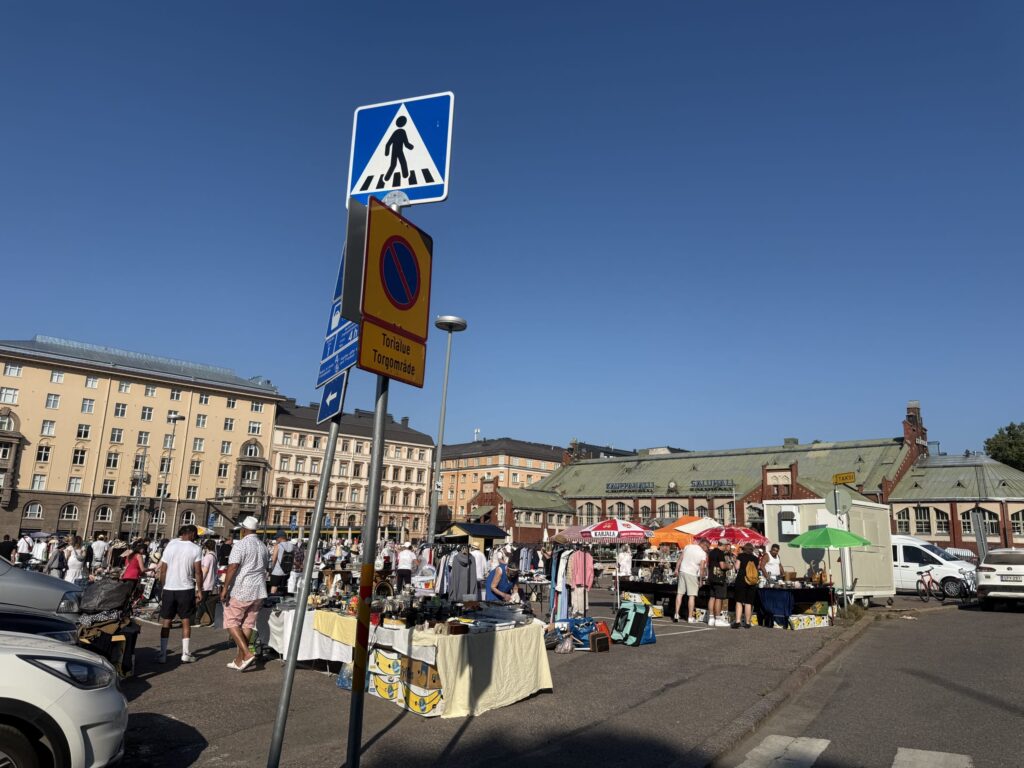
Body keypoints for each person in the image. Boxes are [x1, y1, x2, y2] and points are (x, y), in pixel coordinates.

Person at [219, 515, 269, 671]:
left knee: (231, 621)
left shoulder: (241, 545)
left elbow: (233, 566)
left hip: (242, 588)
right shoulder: (263, 546)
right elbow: (266, 567)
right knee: (248, 624)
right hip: (259, 589)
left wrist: (225, 587)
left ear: (244, 529)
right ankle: (239, 659)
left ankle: (246, 654)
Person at [155, 524, 203, 664]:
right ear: (192, 534)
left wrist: (163, 587)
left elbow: (163, 570)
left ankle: (162, 654)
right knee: (185, 620)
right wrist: (199, 590)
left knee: (166, 620)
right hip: (186, 588)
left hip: (169, 588)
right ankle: (185, 653)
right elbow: (198, 572)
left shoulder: (170, 546)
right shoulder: (196, 548)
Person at [674, 539, 709, 623]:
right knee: (692, 596)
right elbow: (702, 568)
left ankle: (676, 614)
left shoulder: (688, 546)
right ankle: (690, 617)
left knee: (679, 594)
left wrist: (676, 569)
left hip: (682, 571)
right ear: (704, 545)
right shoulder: (703, 553)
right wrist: (701, 580)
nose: (707, 549)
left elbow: (680, 559)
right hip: (692, 574)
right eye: (707, 547)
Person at [733, 543, 760, 628]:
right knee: (749, 602)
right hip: (751, 581)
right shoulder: (755, 558)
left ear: (744, 549)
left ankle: (738, 621)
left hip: (741, 580)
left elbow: (737, 567)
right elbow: (757, 569)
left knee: (739, 601)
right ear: (752, 550)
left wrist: (735, 562)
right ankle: (748, 623)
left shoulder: (741, 556)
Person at [193, 540, 219, 628]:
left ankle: (200, 620)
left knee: (202, 602)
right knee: (204, 602)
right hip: (211, 582)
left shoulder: (208, 557)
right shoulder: (214, 556)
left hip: (205, 583)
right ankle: (207, 619)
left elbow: (205, 571)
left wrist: (199, 583)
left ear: (206, 547)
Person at [705, 538, 730, 627]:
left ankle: (711, 618)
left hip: (711, 577)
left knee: (712, 597)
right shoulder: (720, 553)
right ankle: (718, 619)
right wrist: (729, 566)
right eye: (726, 545)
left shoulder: (711, 552)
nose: (727, 546)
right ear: (723, 545)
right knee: (719, 598)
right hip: (719, 578)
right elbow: (722, 566)